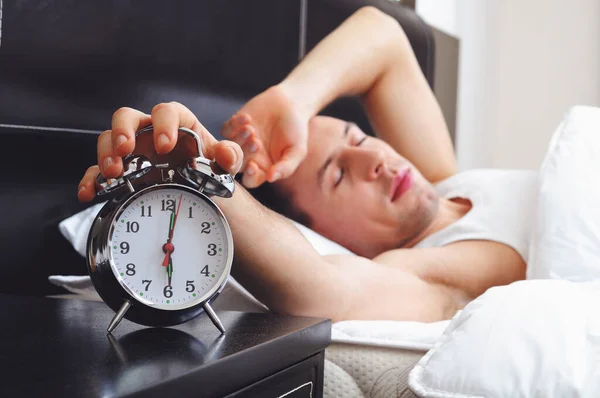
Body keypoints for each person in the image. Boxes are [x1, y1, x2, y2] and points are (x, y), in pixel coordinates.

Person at [77, 7, 537, 323]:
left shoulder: (445, 179)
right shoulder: (430, 269)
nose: (373, 159)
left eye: (357, 137)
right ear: (328, 235)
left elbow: (385, 35)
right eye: (336, 175)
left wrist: (294, 100)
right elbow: (322, 288)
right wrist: (195, 170)